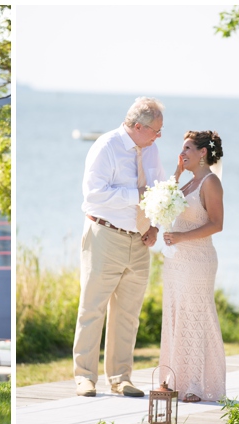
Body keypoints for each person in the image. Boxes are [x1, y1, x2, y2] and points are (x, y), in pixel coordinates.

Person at [73, 97, 167, 397]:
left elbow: (161, 191)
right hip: (105, 235)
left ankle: (120, 377)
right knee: (92, 308)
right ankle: (84, 376)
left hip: (139, 241)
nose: (159, 136)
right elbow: (94, 195)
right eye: (156, 130)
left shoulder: (151, 150)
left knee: (128, 314)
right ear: (138, 126)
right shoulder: (105, 147)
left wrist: (154, 226)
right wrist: (135, 194)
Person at [159, 130, 226, 403]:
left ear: (203, 153)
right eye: (182, 149)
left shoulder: (210, 182)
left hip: (198, 260)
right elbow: (164, 200)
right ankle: (174, 378)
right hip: (176, 262)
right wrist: (177, 169)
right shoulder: (186, 182)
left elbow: (217, 224)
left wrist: (181, 237)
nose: (183, 153)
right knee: (175, 316)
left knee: (195, 317)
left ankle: (197, 385)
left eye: (187, 149)